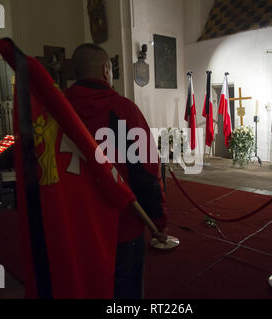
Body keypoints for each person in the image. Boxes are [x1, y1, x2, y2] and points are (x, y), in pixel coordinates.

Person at [65, 43, 168, 299]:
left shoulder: (57, 111)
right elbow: (145, 170)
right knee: (125, 292)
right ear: (106, 69)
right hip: (121, 225)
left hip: (74, 224)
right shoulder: (123, 110)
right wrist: (158, 219)